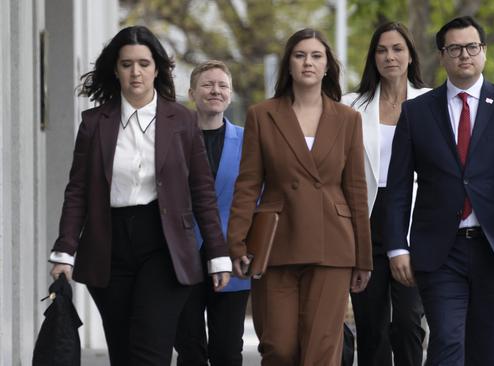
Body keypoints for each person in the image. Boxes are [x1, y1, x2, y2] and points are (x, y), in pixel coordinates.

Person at [48, 25, 231, 365]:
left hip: (164, 244)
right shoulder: (94, 123)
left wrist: (218, 254)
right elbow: (78, 191)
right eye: (127, 64)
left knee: (150, 350)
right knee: (123, 351)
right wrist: (64, 249)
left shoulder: (182, 121)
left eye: (144, 63)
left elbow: (202, 191)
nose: (136, 72)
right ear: (115, 69)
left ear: (157, 68)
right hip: (109, 244)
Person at [384, 16, 494, 366]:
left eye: (472, 47)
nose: (465, 55)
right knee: (446, 342)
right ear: (442, 56)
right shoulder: (416, 113)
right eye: (455, 48)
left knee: (484, 349)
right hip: (439, 251)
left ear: (484, 52)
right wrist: (397, 247)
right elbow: (399, 187)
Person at [227, 28, 372, 365]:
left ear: (327, 67)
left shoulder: (348, 119)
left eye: (316, 56)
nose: (308, 62)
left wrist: (363, 257)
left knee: (321, 351)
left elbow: (356, 189)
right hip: (278, 241)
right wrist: (236, 242)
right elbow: (247, 184)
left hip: (332, 244)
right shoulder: (262, 115)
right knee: (278, 347)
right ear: (288, 65)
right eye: (300, 55)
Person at [341, 21, 428, 366]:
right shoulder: (350, 105)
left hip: (413, 223)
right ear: (372, 58)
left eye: (397, 49)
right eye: (381, 50)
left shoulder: (430, 103)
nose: (389, 56)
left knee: (408, 322)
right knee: (371, 324)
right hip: (364, 222)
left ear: (410, 56)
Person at [175, 60, 249, 366]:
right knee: (189, 350)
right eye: (207, 85)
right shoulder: (173, 139)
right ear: (192, 92)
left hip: (232, 257)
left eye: (222, 86)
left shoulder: (249, 141)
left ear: (230, 95)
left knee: (228, 351)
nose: (215, 91)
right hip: (182, 257)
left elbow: (256, 198)